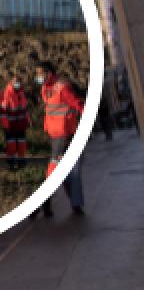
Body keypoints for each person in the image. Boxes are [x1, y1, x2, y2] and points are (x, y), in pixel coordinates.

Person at [36, 62, 86, 217]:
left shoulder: (61, 88)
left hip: (65, 135)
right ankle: (72, 204)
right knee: (67, 171)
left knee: (59, 170)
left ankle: (44, 202)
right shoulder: (46, 88)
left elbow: (78, 104)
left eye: (40, 73)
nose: (37, 76)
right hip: (56, 135)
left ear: (49, 73)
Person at [0, 73, 31, 170]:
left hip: (21, 124)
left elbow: (25, 109)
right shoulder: (7, 94)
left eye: (18, 81)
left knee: (22, 144)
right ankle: (11, 163)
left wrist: (28, 121)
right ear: (11, 82)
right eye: (15, 81)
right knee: (11, 144)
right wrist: (6, 125)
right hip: (11, 125)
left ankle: (21, 161)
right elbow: (3, 112)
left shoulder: (21, 93)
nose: (17, 83)